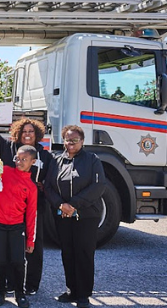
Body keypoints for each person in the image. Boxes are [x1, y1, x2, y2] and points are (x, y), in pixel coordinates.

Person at [0, 102, 52, 295]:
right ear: (18, 132)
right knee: (10, 248)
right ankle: (10, 283)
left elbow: (50, 178)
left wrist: (42, 187)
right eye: (24, 131)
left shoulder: (44, 154)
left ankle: (31, 285)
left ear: (37, 134)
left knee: (33, 246)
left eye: (31, 131)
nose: (27, 134)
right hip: (8, 208)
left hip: (34, 205)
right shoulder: (8, 147)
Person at [44, 125, 108, 308]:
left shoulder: (92, 160)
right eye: (67, 139)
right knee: (68, 252)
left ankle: (84, 295)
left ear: (82, 141)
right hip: (62, 215)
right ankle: (71, 290)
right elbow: (48, 186)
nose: (70, 143)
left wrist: (73, 205)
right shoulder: (56, 160)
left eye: (74, 140)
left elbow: (98, 186)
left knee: (84, 254)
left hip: (86, 215)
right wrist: (60, 205)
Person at [0, 145, 38, 308]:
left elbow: (31, 215)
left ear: (33, 161)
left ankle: (20, 293)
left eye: (24, 159)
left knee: (18, 261)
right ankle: (0, 291)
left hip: (17, 227)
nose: (19, 162)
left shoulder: (31, 186)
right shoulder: (5, 171)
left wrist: (30, 240)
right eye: (17, 158)